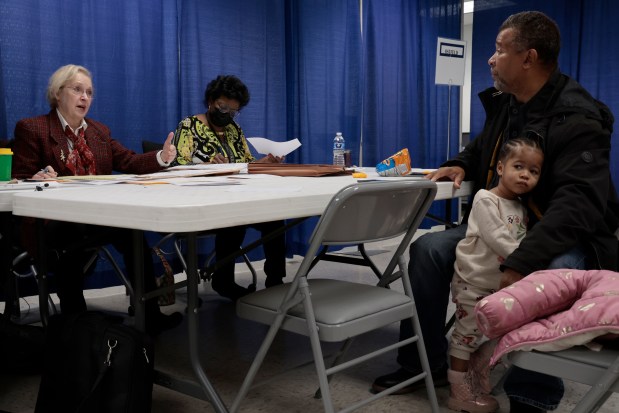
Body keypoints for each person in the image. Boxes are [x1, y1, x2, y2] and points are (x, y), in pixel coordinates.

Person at [371, 11, 619, 413]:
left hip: (564, 236)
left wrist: (521, 260)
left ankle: (530, 396)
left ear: (528, 58)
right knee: (428, 251)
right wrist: (462, 163)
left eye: (500, 49)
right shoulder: (510, 106)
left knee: (545, 273)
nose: (490, 58)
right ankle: (424, 363)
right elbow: (484, 148)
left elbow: (578, 206)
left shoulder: (578, 118)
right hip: (507, 224)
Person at [12, 64, 183, 335]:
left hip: (95, 216)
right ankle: (76, 324)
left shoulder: (98, 132)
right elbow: (19, 180)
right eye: (77, 90)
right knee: (70, 233)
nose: (85, 97)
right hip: (53, 222)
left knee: (133, 228)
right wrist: (40, 177)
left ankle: (149, 315)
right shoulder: (33, 129)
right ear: (58, 93)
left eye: (89, 92)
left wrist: (162, 157)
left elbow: (128, 160)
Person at [448, 136, 543, 413]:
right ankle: (459, 392)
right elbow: (499, 239)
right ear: (500, 168)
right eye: (519, 166)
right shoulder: (485, 198)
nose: (525, 175)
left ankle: (476, 371)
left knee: (495, 334)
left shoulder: (522, 207)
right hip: (474, 282)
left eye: (533, 171)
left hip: (500, 286)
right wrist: (531, 261)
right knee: (465, 335)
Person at [171, 74, 287, 301]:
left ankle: (275, 280)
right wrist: (205, 165)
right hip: (203, 200)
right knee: (232, 220)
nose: (226, 114)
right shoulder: (189, 126)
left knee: (275, 219)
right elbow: (177, 165)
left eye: (233, 111)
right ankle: (223, 280)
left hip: (237, 195)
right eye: (222, 107)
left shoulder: (234, 130)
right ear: (211, 101)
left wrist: (266, 162)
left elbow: (245, 164)